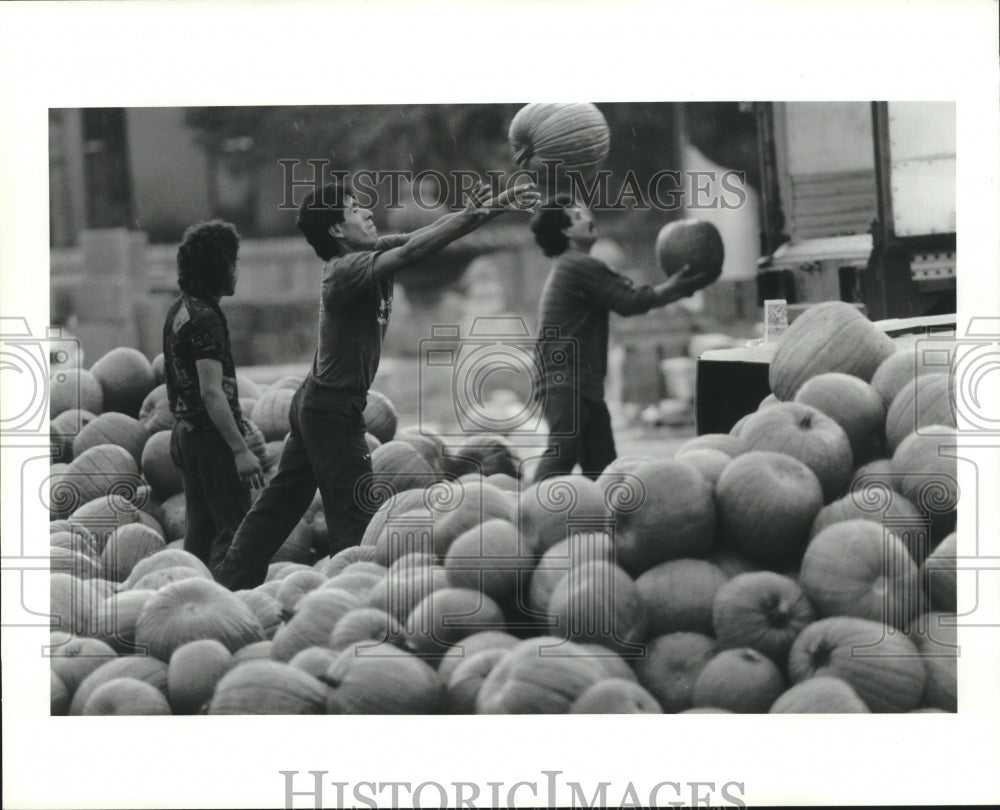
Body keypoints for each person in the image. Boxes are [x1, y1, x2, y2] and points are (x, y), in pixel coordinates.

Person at [214, 178, 539, 590]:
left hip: (318, 402)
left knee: (281, 504)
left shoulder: (369, 254)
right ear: (336, 231)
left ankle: (228, 579)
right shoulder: (346, 270)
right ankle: (358, 590)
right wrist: (482, 212)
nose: (367, 212)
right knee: (355, 519)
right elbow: (413, 250)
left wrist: (492, 205)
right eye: (353, 210)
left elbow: (419, 238)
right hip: (332, 410)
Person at [529, 196, 714, 483]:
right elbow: (631, 301)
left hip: (581, 384)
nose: (589, 219)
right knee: (563, 452)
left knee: (602, 465)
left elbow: (630, 298)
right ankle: (528, 516)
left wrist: (677, 289)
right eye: (579, 216)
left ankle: (607, 520)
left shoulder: (575, 265)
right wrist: (680, 285)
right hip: (563, 381)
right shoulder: (575, 265)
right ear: (566, 231)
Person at [163, 220, 265, 571]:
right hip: (211, 441)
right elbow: (210, 392)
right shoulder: (206, 321)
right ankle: (231, 603)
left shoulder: (181, 309)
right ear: (220, 268)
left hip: (185, 435)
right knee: (239, 533)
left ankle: (190, 593)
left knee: (201, 533)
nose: (238, 270)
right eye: (234, 262)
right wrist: (239, 449)